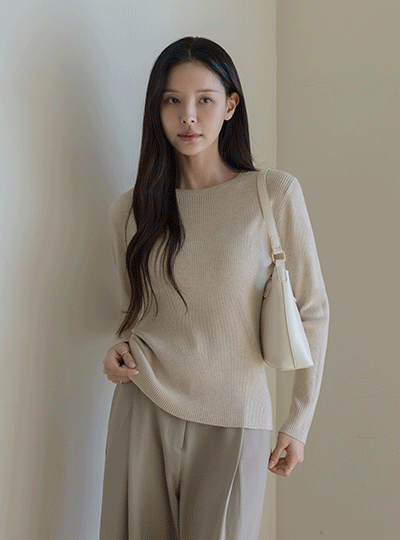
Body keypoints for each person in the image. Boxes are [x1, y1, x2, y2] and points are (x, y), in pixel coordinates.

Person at [99, 36, 330, 540]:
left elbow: (313, 310)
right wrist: (118, 348)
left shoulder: (272, 194)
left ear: (230, 106)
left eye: (204, 99)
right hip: (142, 407)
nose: (188, 116)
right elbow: (136, 313)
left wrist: (298, 422)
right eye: (172, 100)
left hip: (235, 417)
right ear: (156, 109)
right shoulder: (129, 211)